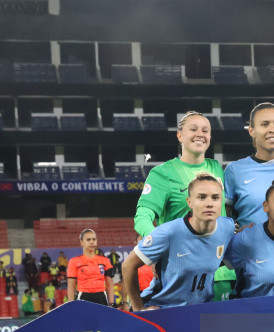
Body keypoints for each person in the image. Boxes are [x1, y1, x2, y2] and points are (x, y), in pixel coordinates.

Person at [123, 174, 235, 311]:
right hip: (162, 310)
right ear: (189, 202)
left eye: (215, 197)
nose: (209, 203)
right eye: (202, 197)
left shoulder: (227, 227)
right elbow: (128, 266)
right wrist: (139, 309)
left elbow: (224, 259)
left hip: (198, 311)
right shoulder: (168, 233)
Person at [134, 111, 223, 237]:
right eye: (193, 129)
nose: (200, 134)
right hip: (180, 249)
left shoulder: (216, 168)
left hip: (218, 249)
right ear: (180, 135)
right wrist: (159, 241)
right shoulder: (162, 173)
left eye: (205, 131)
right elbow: (142, 218)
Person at [66, 229, 114, 306]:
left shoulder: (105, 261)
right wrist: (70, 305)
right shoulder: (74, 261)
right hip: (83, 297)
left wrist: (112, 303)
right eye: (88, 240)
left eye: (94, 239)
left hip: (102, 297)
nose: (92, 242)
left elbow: (110, 285)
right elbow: (71, 286)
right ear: (81, 242)